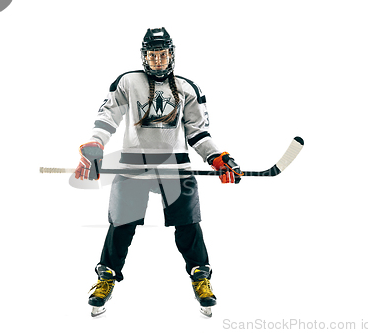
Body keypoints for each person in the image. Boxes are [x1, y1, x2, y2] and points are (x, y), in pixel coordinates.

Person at [74, 27, 243, 317]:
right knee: (121, 225)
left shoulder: (188, 87)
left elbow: (198, 131)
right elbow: (108, 115)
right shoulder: (128, 81)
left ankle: (200, 277)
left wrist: (216, 157)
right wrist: (95, 144)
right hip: (133, 163)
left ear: (172, 54)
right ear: (144, 56)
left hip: (175, 164)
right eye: (152, 55)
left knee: (188, 225)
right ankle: (106, 277)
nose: (158, 60)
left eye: (163, 54)